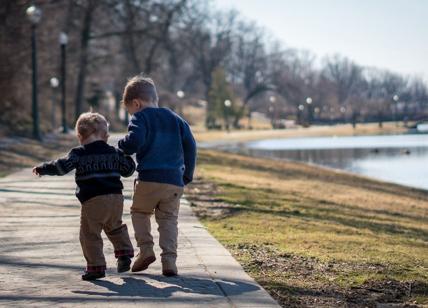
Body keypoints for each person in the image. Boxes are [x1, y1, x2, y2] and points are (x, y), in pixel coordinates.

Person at [33, 112, 135, 281]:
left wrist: (44, 168)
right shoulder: (114, 152)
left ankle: (96, 267)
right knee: (115, 226)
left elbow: (62, 167)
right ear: (105, 135)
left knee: (90, 234)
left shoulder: (79, 153)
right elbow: (129, 170)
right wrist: (126, 156)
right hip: (116, 198)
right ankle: (124, 254)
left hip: (93, 200)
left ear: (80, 136)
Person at [119, 75, 197, 276]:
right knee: (169, 219)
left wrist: (122, 146)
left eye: (130, 111)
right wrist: (186, 175)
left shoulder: (140, 117)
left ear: (136, 103)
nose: (131, 114)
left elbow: (134, 142)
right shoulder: (176, 119)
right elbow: (191, 146)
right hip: (174, 181)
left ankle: (145, 250)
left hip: (149, 179)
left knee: (140, 212)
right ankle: (169, 261)